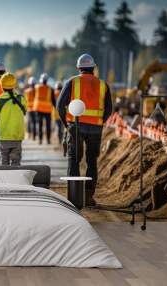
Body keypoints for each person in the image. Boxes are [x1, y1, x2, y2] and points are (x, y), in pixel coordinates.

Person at [56, 54, 112, 206]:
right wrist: (99, 122)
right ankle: (88, 197)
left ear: (78, 68)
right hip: (95, 128)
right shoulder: (103, 84)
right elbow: (109, 109)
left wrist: (66, 124)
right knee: (91, 161)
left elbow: (60, 105)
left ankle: (74, 197)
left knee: (74, 160)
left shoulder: (72, 82)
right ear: (93, 68)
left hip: (76, 126)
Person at [0, 73, 27, 166]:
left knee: (4, 161)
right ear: (14, 85)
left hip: (4, 136)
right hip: (17, 136)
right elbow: (25, 110)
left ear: (2, 86)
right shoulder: (21, 99)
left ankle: (4, 179)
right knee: (16, 161)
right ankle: (15, 179)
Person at [34, 73, 56, 144]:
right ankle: (48, 140)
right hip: (47, 110)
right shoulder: (51, 89)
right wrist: (56, 107)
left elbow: (34, 97)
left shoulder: (36, 87)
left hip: (38, 109)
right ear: (47, 80)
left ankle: (40, 140)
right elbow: (53, 100)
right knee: (48, 126)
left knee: (39, 125)